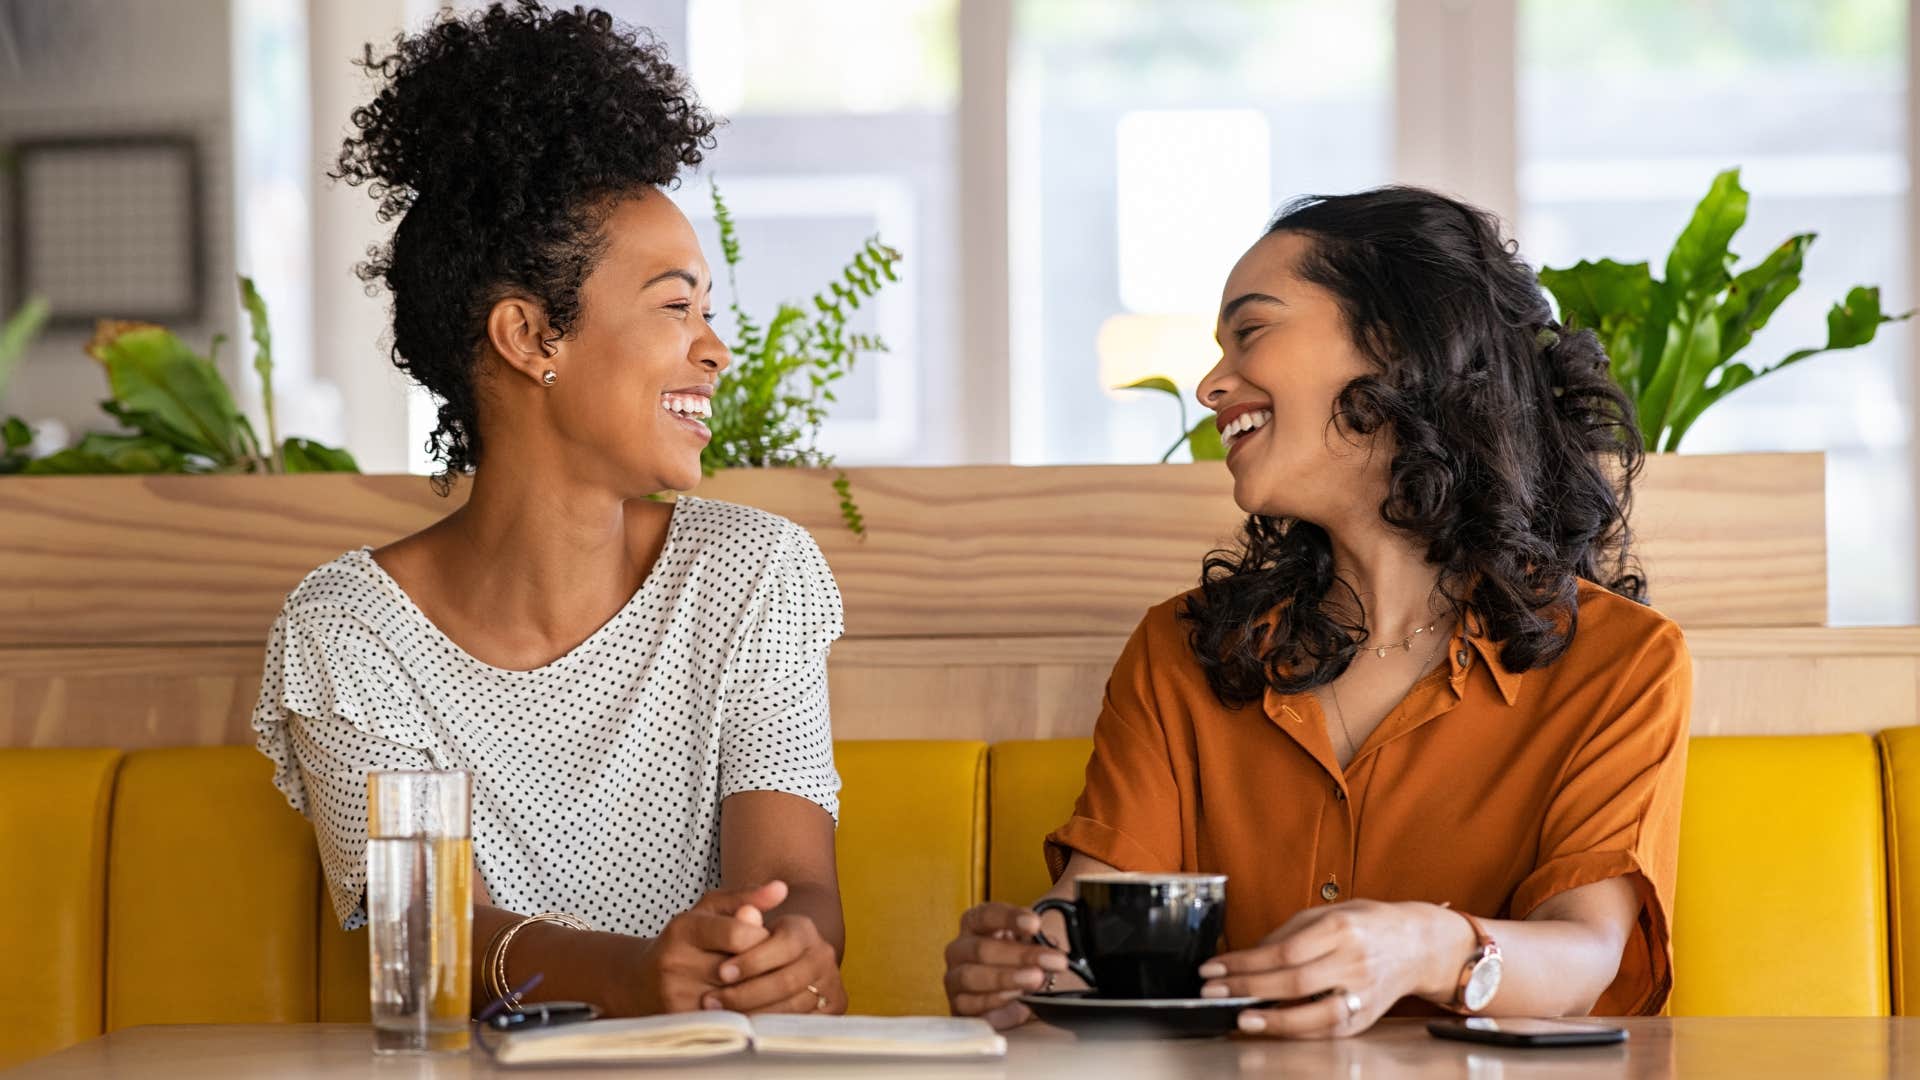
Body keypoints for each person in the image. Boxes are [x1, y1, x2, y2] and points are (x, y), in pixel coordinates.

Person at [943, 186, 1690, 1037]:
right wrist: (1022, 965)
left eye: (1250, 331)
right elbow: (1086, 933)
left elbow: (1585, 956)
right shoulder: (1177, 652)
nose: (1211, 383)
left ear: (1402, 342)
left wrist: (1423, 945)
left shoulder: (1622, 660)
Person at [252, 1, 847, 1018]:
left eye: (709, 310)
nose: (716, 349)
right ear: (530, 337)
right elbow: (430, 941)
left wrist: (786, 952)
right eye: (675, 306)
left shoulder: (752, 573)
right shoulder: (346, 635)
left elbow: (803, 887)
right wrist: (635, 977)